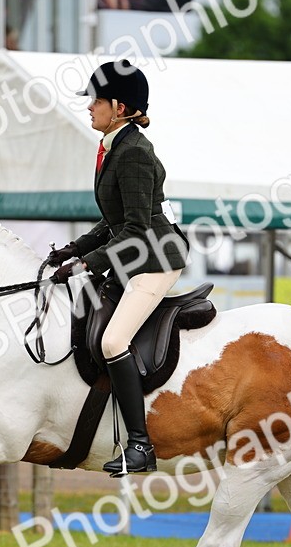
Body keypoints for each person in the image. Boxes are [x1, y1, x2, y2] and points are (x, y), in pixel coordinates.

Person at [46, 59, 187, 474]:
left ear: (120, 107)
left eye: (97, 101)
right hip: (133, 256)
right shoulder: (115, 147)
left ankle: (140, 446)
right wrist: (72, 251)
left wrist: (87, 264)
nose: (90, 107)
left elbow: (138, 229)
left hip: (155, 259)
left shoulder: (136, 154)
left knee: (112, 342)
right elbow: (113, 222)